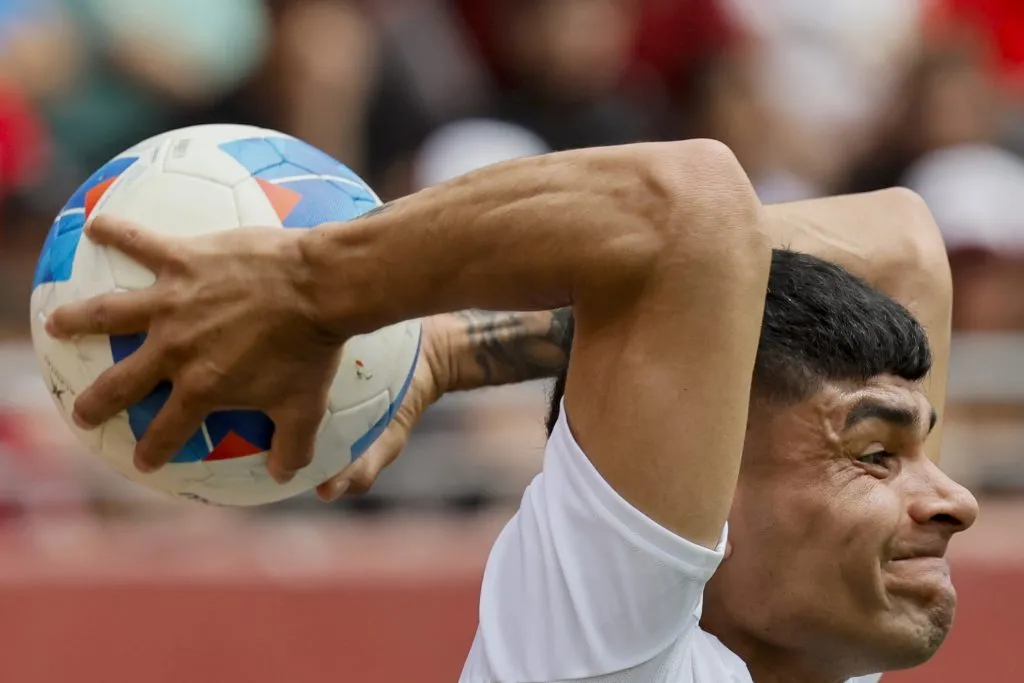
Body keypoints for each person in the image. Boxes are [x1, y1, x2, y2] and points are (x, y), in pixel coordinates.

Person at [45, 139, 977, 682]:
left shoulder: (816, 642)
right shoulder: (613, 656)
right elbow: (683, 206)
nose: (955, 500)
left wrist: (455, 346)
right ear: (708, 486)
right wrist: (308, 287)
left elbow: (901, 246)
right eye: (873, 454)